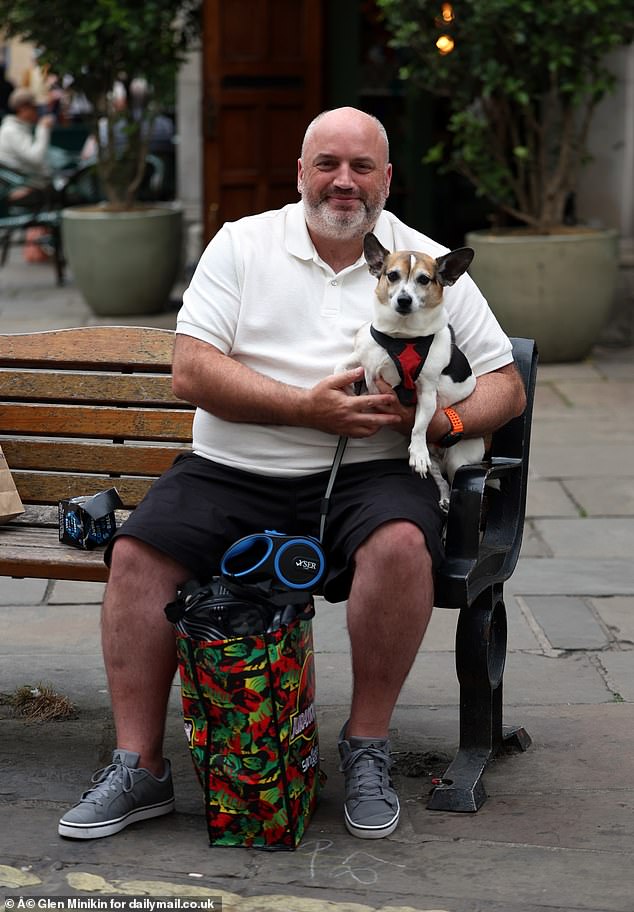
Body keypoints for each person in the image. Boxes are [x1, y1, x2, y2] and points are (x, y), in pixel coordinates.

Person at [58, 107, 526, 842]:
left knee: (403, 546)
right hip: (234, 466)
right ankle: (138, 766)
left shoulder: (424, 260)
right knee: (138, 555)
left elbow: (505, 384)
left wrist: (439, 425)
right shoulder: (243, 245)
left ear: (387, 179)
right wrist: (304, 410)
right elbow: (191, 368)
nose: (344, 182)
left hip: (372, 471)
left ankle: (367, 745)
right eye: (328, 164)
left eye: (361, 167)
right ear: (301, 173)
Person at [0, 87, 54, 178]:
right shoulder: (11, 130)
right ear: (22, 108)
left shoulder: (18, 127)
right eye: (34, 108)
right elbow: (36, 158)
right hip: (23, 183)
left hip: (28, 180)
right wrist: (43, 129)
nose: (37, 112)